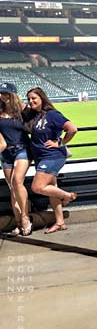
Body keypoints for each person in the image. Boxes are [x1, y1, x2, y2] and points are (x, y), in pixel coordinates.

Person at [24, 87, 78, 234]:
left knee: (37, 187)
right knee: (50, 189)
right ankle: (60, 222)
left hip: (53, 156)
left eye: (34, 98)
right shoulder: (33, 116)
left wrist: (60, 143)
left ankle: (67, 196)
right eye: (29, 99)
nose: (31, 101)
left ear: (42, 98)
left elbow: (72, 129)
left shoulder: (53, 115)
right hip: (41, 157)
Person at [0, 83, 32, 236]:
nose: (2, 96)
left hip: (22, 149)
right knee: (13, 189)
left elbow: (38, 119)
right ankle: (18, 222)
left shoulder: (22, 111)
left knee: (17, 181)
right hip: (6, 153)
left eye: (6, 93)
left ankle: (25, 218)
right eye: (1, 93)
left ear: (13, 94)